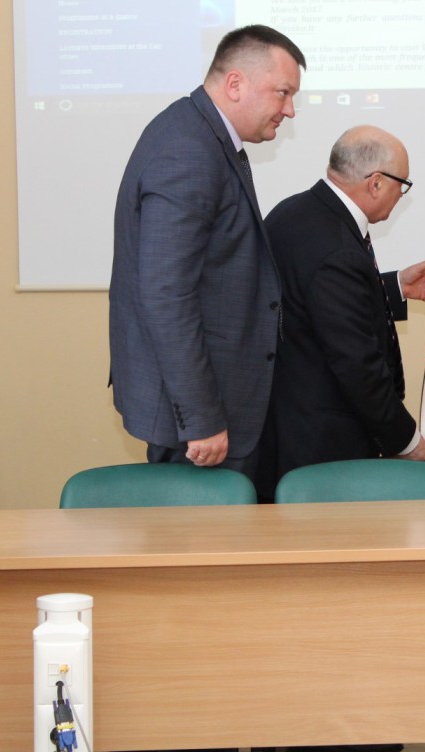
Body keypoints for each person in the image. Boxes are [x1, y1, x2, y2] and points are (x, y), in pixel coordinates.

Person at [109, 26, 305, 483]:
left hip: (214, 395)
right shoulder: (188, 151)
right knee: (202, 530)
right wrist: (200, 418)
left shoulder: (199, 132)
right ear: (235, 84)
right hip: (199, 416)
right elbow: (166, 294)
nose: (289, 110)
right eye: (282, 93)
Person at [260, 125, 425, 484]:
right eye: (402, 184)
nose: (401, 194)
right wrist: (406, 441)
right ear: (376, 183)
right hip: (321, 448)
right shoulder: (338, 249)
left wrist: (396, 286)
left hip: (285, 427)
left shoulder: (294, 211)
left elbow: (316, 307)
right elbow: (358, 365)